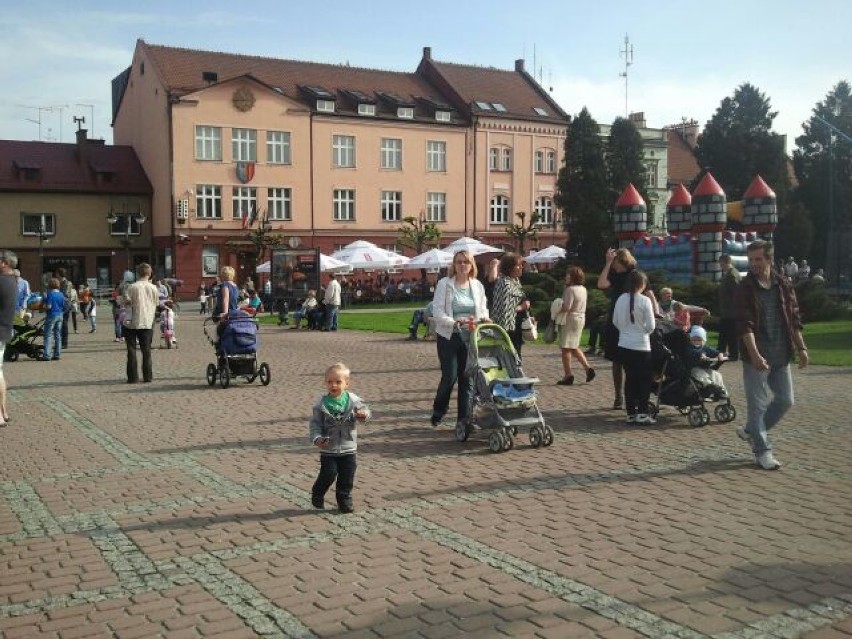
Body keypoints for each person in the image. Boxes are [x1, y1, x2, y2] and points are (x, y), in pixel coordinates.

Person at [736, 240, 808, 470]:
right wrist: (754, 354)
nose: (754, 264)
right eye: (751, 260)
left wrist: (802, 348)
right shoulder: (745, 287)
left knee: (786, 400)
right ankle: (762, 451)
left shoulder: (783, 284)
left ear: (769, 259)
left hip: (781, 353)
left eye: (758, 259)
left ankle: (751, 430)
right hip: (756, 356)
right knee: (757, 406)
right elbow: (744, 324)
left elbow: (794, 318)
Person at [430, 250, 490, 429]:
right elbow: (437, 311)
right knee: (449, 376)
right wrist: (453, 322)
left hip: (470, 336)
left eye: (466, 262)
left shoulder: (477, 285)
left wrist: (485, 318)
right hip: (449, 335)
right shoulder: (445, 284)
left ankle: (463, 419)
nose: (462, 265)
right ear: (454, 265)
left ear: (472, 265)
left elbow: (483, 307)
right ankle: (439, 409)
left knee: (468, 378)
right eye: (459, 262)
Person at [598, 247, 657, 410]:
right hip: (619, 318)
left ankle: (636, 396)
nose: (614, 266)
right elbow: (602, 284)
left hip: (635, 322)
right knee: (616, 361)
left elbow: (650, 293)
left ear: (622, 261)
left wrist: (657, 312)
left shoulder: (636, 274)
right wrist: (608, 263)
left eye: (615, 262)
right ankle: (619, 396)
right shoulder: (615, 274)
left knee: (633, 365)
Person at [309, 362, 371, 513]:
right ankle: (318, 492)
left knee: (347, 476)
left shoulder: (353, 400)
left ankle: (344, 500)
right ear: (325, 383)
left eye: (338, 382)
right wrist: (317, 438)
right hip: (328, 447)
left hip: (349, 447)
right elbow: (315, 424)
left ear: (346, 383)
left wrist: (364, 415)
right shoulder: (321, 404)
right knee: (328, 474)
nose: (333, 385)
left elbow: (365, 411)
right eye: (329, 382)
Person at [612, 270, 656, 424]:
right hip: (641, 345)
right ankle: (643, 412)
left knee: (630, 379)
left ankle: (630, 413)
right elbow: (651, 326)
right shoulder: (645, 301)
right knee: (644, 380)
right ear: (642, 284)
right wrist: (642, 331)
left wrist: (625, 331)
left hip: (624, 344)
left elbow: (615, 321)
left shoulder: (620, 299)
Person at [556, 266, 595, 385]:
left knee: (565, 347)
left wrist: (556, 307)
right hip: (581, 317)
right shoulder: (583, 289)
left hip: (570, 318)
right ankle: (588, 368)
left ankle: (568, 375)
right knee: (574, 346)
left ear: (572, 277)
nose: (565, 277)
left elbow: (567, 307)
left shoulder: (570, 290)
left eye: (568, 275)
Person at [122, 263, 159, 384]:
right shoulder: (154, 288)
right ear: (149, 273)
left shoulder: (132, 287)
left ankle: (133, 377)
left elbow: (126, 302)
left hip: (131, 322)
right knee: (146, 351)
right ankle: (148, 376)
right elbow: (156, 304)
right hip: (147, 322)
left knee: (131, 350)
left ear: (138, 273)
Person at [491, 253, 530, 357]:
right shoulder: (505, 284)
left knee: (516, 356)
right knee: (511, 358)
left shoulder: (515, 281)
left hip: (516, 327)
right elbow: (504, 309)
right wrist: (522, 307)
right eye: (518, 265)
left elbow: (520, 298)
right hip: (508, 329)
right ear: (509, 267)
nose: (521, 267)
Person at [0, 250, 19, 426]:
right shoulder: (13, 281)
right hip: (5, 330)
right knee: (0, 372)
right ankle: (3, 411)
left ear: (5, 263)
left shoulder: (2, 282)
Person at [687, 326, 728, 394]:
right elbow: (694, 352)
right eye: (694, 340)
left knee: (716, 375)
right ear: (690, 340)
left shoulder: (705, 347)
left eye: (699, 340)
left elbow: (717, 352)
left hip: (705, 368)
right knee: (701, 375)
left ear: (704, 340)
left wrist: (721, 355)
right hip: (693, 368)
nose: (696, 342)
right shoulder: (689, 347)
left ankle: (722, 392)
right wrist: (701, 355)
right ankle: (711, 387)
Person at [717, 254, 741, 360]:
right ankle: (721, 352)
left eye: (720, 263)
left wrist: (735, 308)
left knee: (730, 334)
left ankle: (733, 354)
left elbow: (736, 293)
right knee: (725, 333)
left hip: (730, 311)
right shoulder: (730, 274)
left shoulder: (732, 275)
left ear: (724, 262)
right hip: (726, 310)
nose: (720, 265)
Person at [43, 278, 65, 361]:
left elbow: (49, 306)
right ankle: (57, 354)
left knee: (48, 334)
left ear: (50, 285)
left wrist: (43, 306)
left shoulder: (50, 294)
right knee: (57, 335)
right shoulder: (61, 294)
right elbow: (63, 305)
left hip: (52, 315)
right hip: (60, 315)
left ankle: (47, 355)